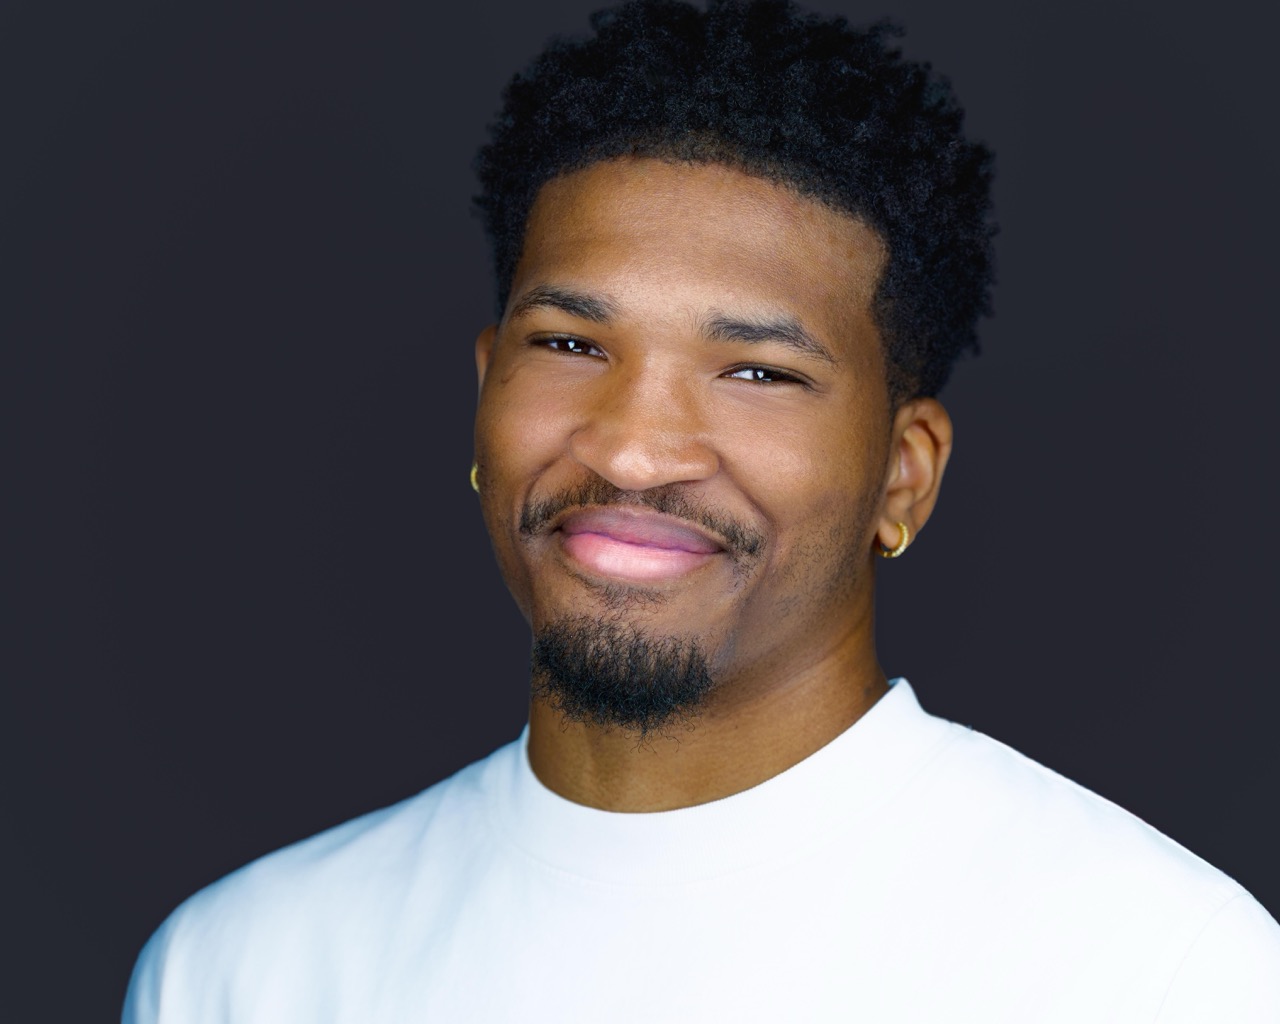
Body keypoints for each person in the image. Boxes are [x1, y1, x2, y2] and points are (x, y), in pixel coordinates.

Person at [122, 1, 1280, 1020]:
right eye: (571, 344)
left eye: (757, 371)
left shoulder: (1158, 972)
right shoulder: (243, 969)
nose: (630, 449)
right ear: (485, 395)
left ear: (903, 475)